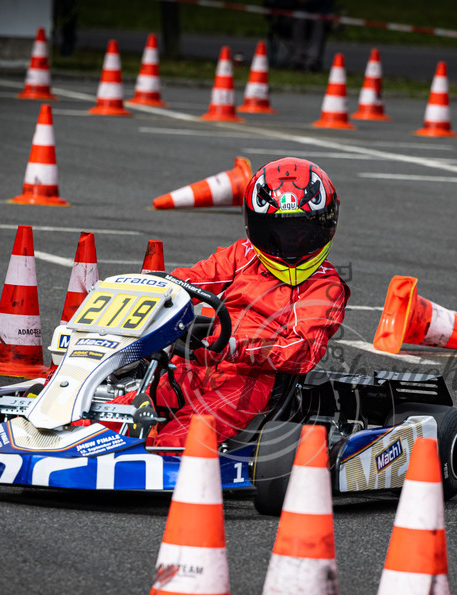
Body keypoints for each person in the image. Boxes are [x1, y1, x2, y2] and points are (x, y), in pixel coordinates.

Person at [136, 157, 349, 449]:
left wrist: (237, 346)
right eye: (276, 233)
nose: (288, 245)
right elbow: (194, 279)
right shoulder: (244, 254)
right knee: (126, 406)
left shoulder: (325, 286)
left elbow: (302, 351)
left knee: (183, 434)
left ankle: (156, 459)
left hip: (252, 382)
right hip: (197, 363)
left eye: (299, 233)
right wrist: (151, 289)